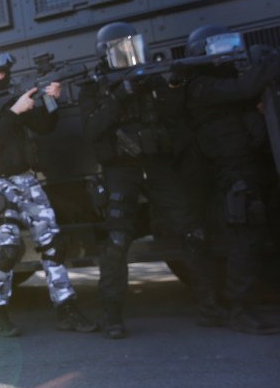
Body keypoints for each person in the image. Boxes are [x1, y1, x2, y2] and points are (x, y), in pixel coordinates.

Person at [79, 22, 225, 339]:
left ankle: (211, 304)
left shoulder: (150, 77)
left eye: (134, 46)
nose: (130, 53)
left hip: (157, 165)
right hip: (120, 170)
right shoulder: (93, 87)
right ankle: (112, 316)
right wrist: (119, 96)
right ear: (106, 53)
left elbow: (172, 115)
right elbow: (90, 130)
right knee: (117, 242)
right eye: (122, 48)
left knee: (193, 231)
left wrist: (171, 86)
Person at [0, 49, 97, 337]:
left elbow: (45, 126)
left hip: (26, 180)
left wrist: (49, 100)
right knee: (7, 250)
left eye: (5, 72)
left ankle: (66, 309)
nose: (3, 77)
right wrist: (13, 111)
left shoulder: (12, 96)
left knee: (53, 244)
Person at [182, 25, 280, 334]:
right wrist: (279, 55)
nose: (227, 53)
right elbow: (245, 88)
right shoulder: (200, 87)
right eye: (219, 48)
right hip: (233, 175)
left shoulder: (223, 81)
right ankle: (240, 309)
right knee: (245, 243)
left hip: (253, 168)